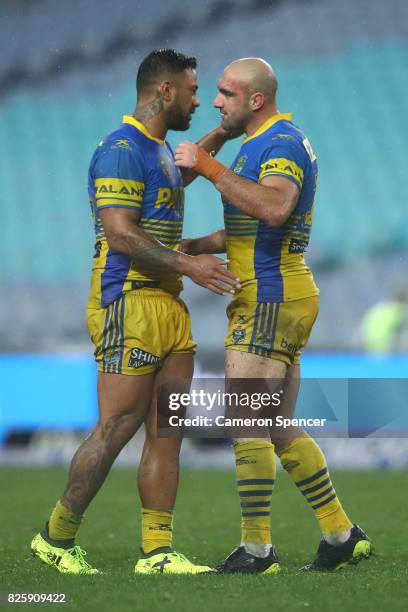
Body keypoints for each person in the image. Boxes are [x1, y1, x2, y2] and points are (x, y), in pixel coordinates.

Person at [30, 49, 240, 575]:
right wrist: (191, 264)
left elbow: (171, 183)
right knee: (117, 426)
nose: (198, 100)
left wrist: (223, 135)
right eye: (192, 91)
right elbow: (121, 234)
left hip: (168, 303)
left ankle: (158, 551)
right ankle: (56, 537)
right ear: (164, 92)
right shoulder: (122, 149)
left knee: (168, 430)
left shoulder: (158, 151)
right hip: (128, 302)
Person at [176, 57, 372, 573]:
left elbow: (275, 209)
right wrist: (194, 247)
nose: (215, 102)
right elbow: (251, 222)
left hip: (269, 297)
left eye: (225, 93)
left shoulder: (279, 143)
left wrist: (208, 164)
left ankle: (257, 549)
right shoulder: (259, 144)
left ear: (255, 100)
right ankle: (340, 532)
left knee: (246, 423)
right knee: (277, 424)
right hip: (279, 292)